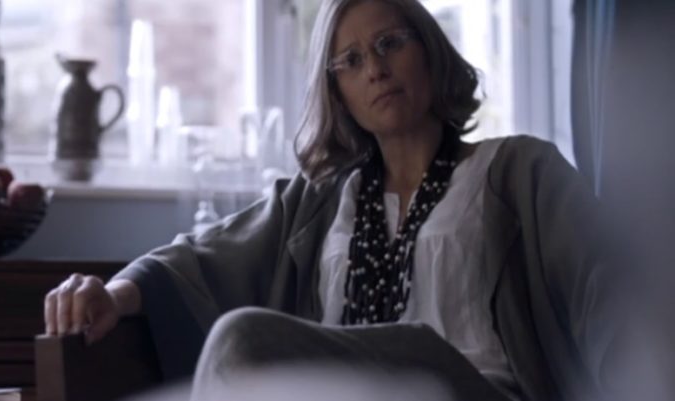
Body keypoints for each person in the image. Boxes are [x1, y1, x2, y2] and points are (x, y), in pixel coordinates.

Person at [44, 1, 623, 400]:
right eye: (351, 60)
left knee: (242, 340)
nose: (376, 70)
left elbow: (616, 300)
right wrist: (112, 294)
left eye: (390, 43)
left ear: (428, 50)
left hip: (462, 387)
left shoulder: (517, 171)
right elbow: (200, 258)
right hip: (346, 393)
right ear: (337, 91)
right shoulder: (322, 202)